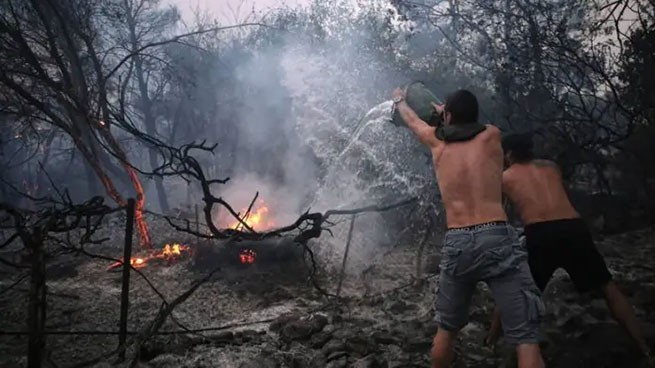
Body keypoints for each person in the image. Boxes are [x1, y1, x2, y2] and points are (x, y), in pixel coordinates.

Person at [392, 88, 545, 368]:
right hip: (495, 236)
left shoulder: (436, 143)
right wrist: (448, 114)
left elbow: (413, 121)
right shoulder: (492, 135)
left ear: (448, 115)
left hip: (457, 240)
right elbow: (469, 126)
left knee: (447, 330)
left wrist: (400, 99)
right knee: (525, 337)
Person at [485, 133, 652, 361]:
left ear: (510, 154)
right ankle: (645, 348)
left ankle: (489, 345)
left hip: (541, 233)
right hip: (574, 227)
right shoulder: (552, 167)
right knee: (608, 288)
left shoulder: (504, 178)